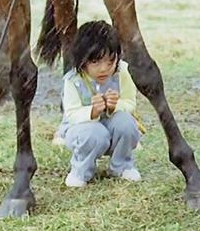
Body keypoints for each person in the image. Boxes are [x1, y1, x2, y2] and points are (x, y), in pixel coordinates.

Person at [59, 21, 142, 187]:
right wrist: (93, 112)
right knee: (94, 133)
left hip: (111, 124)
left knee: (126, 123)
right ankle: (81, 170)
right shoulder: (73, 80)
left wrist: (114, 106)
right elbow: (71, 113)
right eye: (95, 62)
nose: (104, 69)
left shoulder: (122, 72)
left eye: (110, 61)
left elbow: (130, 103)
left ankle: (122, 166)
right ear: (82, 60)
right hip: (82, 130)